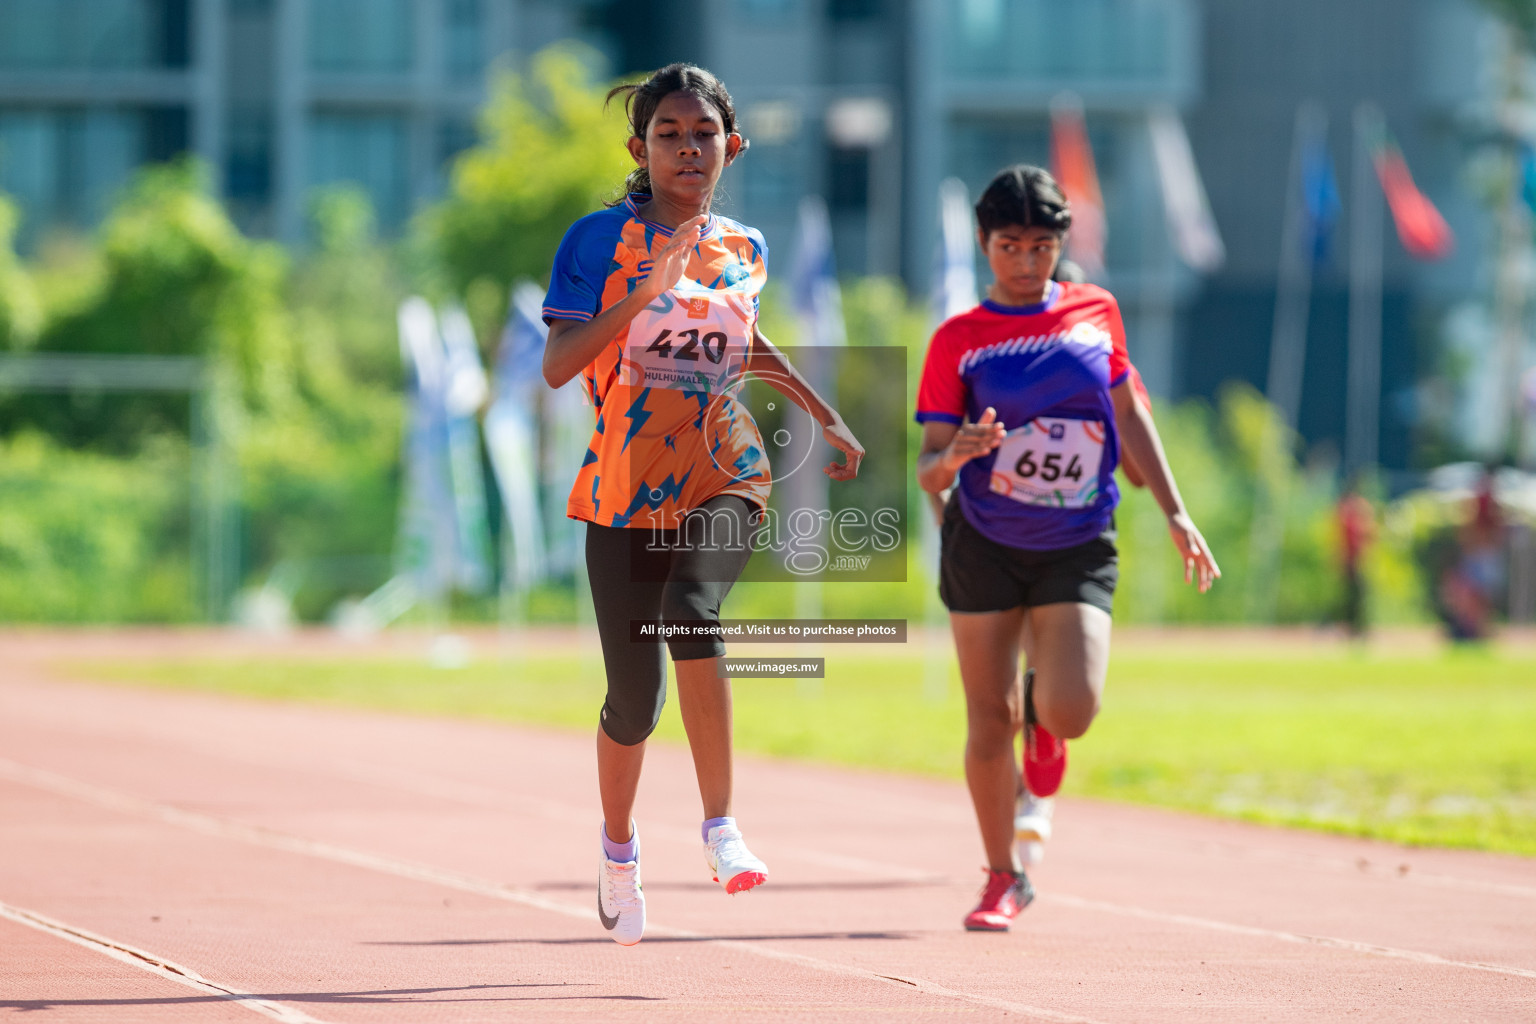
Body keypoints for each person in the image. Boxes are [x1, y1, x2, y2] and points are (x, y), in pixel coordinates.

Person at [541, 63, 864, 947]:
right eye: (670, 134)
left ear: (733, 146)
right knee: (633, 702)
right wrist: (644, 294)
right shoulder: (598, 241)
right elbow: (560, 364)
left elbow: (743, 340)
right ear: (639, 150)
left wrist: (824, 413)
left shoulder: (745, 247)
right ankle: (617, 852)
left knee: (693, 609)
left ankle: (721, 826)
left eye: (704, 134)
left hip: (724, 466)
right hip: (623, 483)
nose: (688, 148)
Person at [915, 165, 1219, 931]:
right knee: (988, 719)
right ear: (986, 244)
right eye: (1010, 245)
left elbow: (1130, 412)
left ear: (1061, 244)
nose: (1026, 262)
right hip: (983, 538)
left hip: (1076, 539)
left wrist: (1178, 512)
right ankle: (1001, 877)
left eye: (1042, 246)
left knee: (1072, 709)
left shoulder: (1096, 312)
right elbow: (927, 465)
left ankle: (1044, 726)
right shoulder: (958, 339)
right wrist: (961, 455)